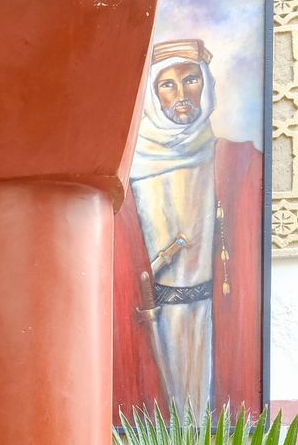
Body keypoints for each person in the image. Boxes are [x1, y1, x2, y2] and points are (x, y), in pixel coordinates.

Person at [113, 38, 264, 417]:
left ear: (206, 85)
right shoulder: (128, 171)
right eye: (168, 84)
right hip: (153, 320)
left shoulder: (234, 161)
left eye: (190, 80)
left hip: (211, 316)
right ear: (152, 95)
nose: (181, 95)